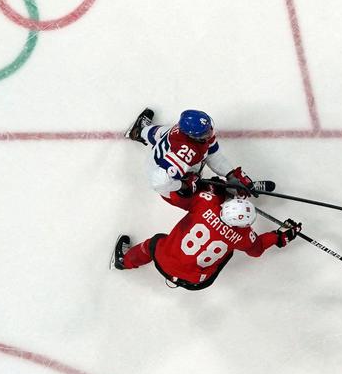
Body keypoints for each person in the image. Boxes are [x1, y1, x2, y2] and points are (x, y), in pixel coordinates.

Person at [112, 186, 300, 290]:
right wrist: (279, 237)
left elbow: (205, 192)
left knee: (154, 242)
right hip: (196, 281)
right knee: (229, 251)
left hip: (163, 259)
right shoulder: (244, 236)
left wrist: (219, 188)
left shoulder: (206, 204)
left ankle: (124, 262)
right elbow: (257, 249)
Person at [126, 107, 267, 197]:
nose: (210, 133)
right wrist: (184, 185)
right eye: (205, 133)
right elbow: (158, 181)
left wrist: (230, 174)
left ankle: (139, 131)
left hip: (164, 159)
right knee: (207, 197)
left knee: (162, 132)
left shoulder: (183, 128)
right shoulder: (186, 153)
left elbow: (212, 153)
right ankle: (230, 195)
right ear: (191, 136)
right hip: (169, 186)